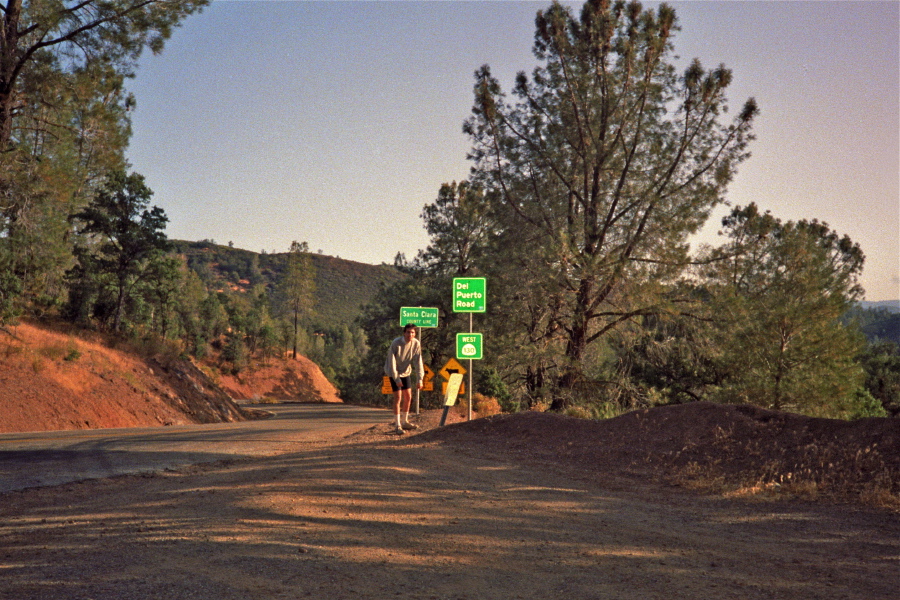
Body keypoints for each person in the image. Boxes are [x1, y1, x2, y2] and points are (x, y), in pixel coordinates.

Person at [384, 323, 423, 435]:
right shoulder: (396, 343)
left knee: (408, 396)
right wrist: (396, 379)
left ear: (415, 334)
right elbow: (392, 362)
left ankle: (405, 421)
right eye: (408, 332)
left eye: (412, 332)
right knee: (398, 398)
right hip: (393, 372)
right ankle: (398, 425)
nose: (410, 334)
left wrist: (420, 379)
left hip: (406, 372)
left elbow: (418, 361)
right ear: (404, 333)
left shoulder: (416, 344)